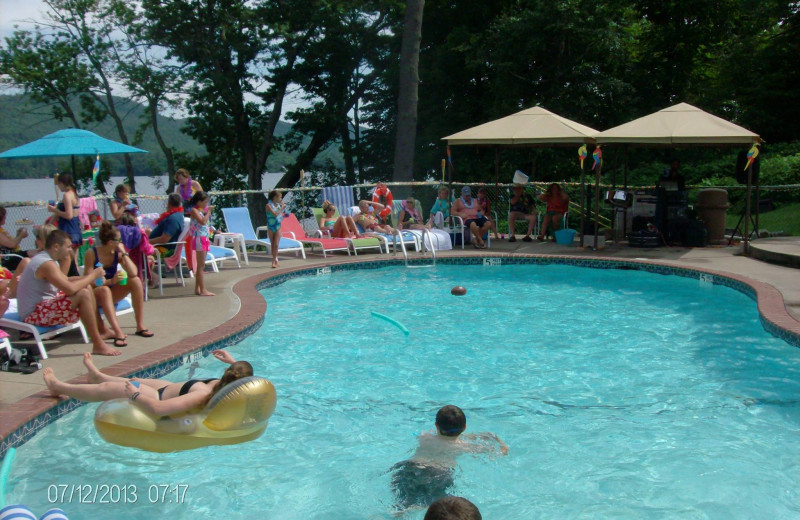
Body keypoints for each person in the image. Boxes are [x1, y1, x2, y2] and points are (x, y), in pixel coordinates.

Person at [42, 351, 253, 417]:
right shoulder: (223, 386)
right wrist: (233, 361)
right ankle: (98, 375)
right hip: (167, 388)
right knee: (133, 380)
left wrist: (134, 396)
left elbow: (159, 409)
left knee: (106, 391)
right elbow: (245, 380)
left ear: (226, 375)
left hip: (157, 398)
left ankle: (58, 387)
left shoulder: (202, 394)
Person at [16, 230, 121, 356]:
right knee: (83, 293)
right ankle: (98, 343)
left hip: (42, 307)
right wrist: (93, 275)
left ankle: (102, 330)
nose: (70, 250)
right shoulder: (46, 264)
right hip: (33, 314)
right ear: (56, 246)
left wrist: (86, 278)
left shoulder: (48, 260)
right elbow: (69, 289)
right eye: (68, 247)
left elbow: (65, 280)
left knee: (86, 287)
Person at [390, 405, 508, 512]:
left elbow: (444, 439)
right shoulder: (464, 446)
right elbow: (502, 452)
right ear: (464, 427)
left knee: (401, 504)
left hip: (410, 468)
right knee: (428, 506)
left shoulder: (425, 436)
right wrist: (498, 440)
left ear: (436, 425)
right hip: (437, 475)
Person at [83, 221, 153, 347]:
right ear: (111, 242)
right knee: (104, 291)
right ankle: (117, 331)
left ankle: (140, 325)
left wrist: (124, 253)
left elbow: (133, 272)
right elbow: (88, 282)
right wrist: (110, 281)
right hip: (96, 294)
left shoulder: (117, 254)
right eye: (119, 241)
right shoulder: (92, 254)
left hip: (111, 291)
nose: (122, 243)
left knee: (136, 281)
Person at [186, 191, 214, 296]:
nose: (206, 204)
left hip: (204, 237)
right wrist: (209, 212)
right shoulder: (194, 210)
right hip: (200, 238)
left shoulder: (200, 210)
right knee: (201, 266)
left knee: (201, 265)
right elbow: (202, 221)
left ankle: (197, 288)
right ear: (199, 201)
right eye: (205, 202)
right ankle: (203, 290)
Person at [47, 173, 83, 250]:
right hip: (75, 228)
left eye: (58, 184)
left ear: (61, 183)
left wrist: (54, 210)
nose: (58, 187)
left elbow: (69, 215)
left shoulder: (67, 195)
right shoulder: (74, 194)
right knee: (73, 259)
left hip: (67, 229)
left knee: (66, 257)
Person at [0, 206, 29, 271]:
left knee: (34, 252)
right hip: (7, 259)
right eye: (4, 216)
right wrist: (21, 235)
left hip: (12, 255)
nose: (5, 218)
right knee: (30, 257)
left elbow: (10, 244)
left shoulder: (1, 231)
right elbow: (12, 244)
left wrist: (18, 235)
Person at [265, 190, 287, 268]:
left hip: (277, 226)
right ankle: (274, 260)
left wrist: (283, 208)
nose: (281, 199)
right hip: (271, 226)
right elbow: (274, 215)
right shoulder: (268, 205)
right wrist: (282, 208)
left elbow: (286, 215)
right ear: (275, 197)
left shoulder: (278, 205)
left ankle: (274, 261)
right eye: (280, 197)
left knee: (276, 244)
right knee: (273, 244)